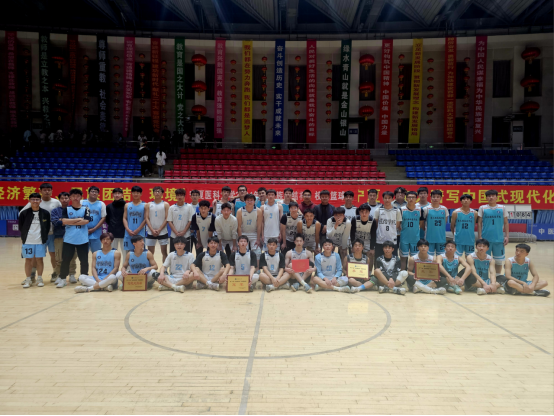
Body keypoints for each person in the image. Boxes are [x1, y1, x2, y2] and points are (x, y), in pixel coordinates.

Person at [20, 183, 61, 284]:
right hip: (38, 235)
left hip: (52, 234)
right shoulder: (35, 201)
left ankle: (55, 273)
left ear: (52, 191)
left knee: (53, 255)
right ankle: (31, 275)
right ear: (40, 191)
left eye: (49, 190)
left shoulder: (56, 202)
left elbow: (60, 213)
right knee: (35, 256)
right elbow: (21, 214)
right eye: (44, 190)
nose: (47, 192)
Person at [57, 189, 91, 288]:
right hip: (69, 239)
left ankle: (84, 279)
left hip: (83, 239)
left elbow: (86, 221)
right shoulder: (66, 209)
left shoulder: (86, 209)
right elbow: (64, 221)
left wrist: (70, 221)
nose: (76, 198)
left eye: (78, 196)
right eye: (73, 196)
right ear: (70, 198)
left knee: (84, 261)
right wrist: (79, 219)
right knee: (65, 260)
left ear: (81, 197)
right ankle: (63, 279)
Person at [19, 193, 51, 289]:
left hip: (40, 241)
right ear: (29, 201)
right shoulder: (24, 213)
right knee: (28, 260)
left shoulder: (45, 213)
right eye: (33, 199)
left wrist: (43, 236)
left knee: (39, 260)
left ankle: (39, 278)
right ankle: (28, 279)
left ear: (40, 201)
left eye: (37, 199)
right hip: (28, 241)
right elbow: (21, 227)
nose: (35, 201)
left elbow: (47, 227)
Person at [477, 190, 509, 274]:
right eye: (489, 196)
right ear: (486, 198)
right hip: (485, 239)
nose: (491, 197)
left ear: (496, 197)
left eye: (493, 196)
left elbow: (506, 223)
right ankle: (484, 277)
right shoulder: (482, 208)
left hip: (499, 239)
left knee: (498, 261)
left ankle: (497, 277)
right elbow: (479, 223)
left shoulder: (502, 208)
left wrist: (507, 236)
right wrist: (479, 236)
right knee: (484, 259)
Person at [51, 192, 77, 284]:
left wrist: (63, 220)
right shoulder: (55, 211)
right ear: (59, 200)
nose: (64, 200)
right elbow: (56, 222)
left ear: (69, 199)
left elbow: (77, 222)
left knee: (72, 257)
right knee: (59, 258)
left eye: (66, 198)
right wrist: (71, 221)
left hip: (72, 237)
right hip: (59, 236)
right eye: (62, 198)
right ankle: (59, 275)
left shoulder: (74, 209)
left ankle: (72, 274)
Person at [373, 191, 402, 259]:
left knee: (393, 260)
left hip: (392, 240)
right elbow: (376, 225)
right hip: (380, 240)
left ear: (392, 199)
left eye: (389, 198)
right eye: (385, 198)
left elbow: (397, 225)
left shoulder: (397, 211)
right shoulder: (378, 210)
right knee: (378, 259)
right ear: (382, 199)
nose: (387, 200)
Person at [399, 191, 423, 270]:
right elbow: (398, 224)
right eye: (409, 197)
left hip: (415, 239)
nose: (411, 199)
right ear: (406, 198)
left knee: (415, 258)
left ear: (416, 199)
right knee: (403, 258)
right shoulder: (401, 209)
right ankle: (402, 274)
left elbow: (421, 224)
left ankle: (413, 274)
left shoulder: (420, 210)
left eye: (413, 197)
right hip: (404, 238)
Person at [420, 190, 449, 257]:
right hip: (429, 238)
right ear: (431, 198)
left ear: (440, 198)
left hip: (441, 238)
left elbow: (444, 222)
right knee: (429, 257)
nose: (435, 198)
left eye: (438, 197)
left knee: (441, 257)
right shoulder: (426, 209)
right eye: (434, 197)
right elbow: (422, 223)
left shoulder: (444, 209)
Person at [145, 186, 170, 263]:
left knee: (164, 252)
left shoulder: (165, 204)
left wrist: (159, 229)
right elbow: (146, 218)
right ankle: (150, 268)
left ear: (162, 194)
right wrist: (152, 230)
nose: (157, 193)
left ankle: (165, 268)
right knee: (150, 253)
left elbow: (167, 218)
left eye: (159, 191)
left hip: (162, 232)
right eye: (155, 191)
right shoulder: (148, 204)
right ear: (153, 193)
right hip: (150, 232)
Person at [236, 193, 262, 261]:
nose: (249, 202)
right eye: (248, 200)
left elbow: (259, 226)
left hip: (254, 234)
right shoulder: (240, 211)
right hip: (243, 233)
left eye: (251, 200)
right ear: (245, 201)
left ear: (254, 201)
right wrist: (240, 239)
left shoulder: (258, 211)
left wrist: (258, 239)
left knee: (258, 253)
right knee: (243, 252)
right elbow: (239, 226)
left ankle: (256, 267)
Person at [349, 203, 377, 268]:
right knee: (354, 255)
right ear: (359, 212)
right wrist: (353, 246)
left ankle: (369, 272)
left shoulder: (372, 221)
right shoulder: (354, 219)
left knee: (371, 255)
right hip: (357, 241)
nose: (364, 214)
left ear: (369, 212)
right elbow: (352, 234)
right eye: (362, 212)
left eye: (366, 212)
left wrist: (372, 248)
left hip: (367, 241)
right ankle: (354, 270)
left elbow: (373, 235)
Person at [167, 188, 194, 253]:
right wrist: (176, 232)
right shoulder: (171, 208)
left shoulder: (189, 207)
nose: (180, 197)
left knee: (186, 254)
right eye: (178, 195)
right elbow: (169, 221)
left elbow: (190, 220)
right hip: (174, 235)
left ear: (184, 196)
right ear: (176, 196)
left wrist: (184, 232)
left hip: (186, 235)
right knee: (173, 254)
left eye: (181, 195)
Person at [81, 186, 107, 253]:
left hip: (96, 232)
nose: (94, 193)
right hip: (83, 232)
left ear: (98, 194)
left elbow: (103, 218)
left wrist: (94, 229)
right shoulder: (82, 202)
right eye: (92, 191)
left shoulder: (101, 204)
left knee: (96, 254)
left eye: (96, 192)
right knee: (83, 254)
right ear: (88, 192)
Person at [123, 186, 147, 253]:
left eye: (137, 193)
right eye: (134, 192)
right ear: (131, 193)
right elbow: (124, 218)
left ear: (141, 194)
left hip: (140, 233)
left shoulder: (145, 205)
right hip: (129, 233)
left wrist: (138, 229)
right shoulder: (127, 205)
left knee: (140, 252)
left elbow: (146, 219)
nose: (135, 194)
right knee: (128, 253)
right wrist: (128, 229)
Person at [106, 188, 126, 256]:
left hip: (124, 232)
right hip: (112, 232)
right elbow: (107, 219)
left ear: (122, 195)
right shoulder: (109, 206)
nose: (117, 195)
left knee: (125, 253)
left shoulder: (126, 206)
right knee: (112, 253)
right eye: (115, 193)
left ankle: (125, 264)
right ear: (112, 195)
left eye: (119, 193)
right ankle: (114, 264)